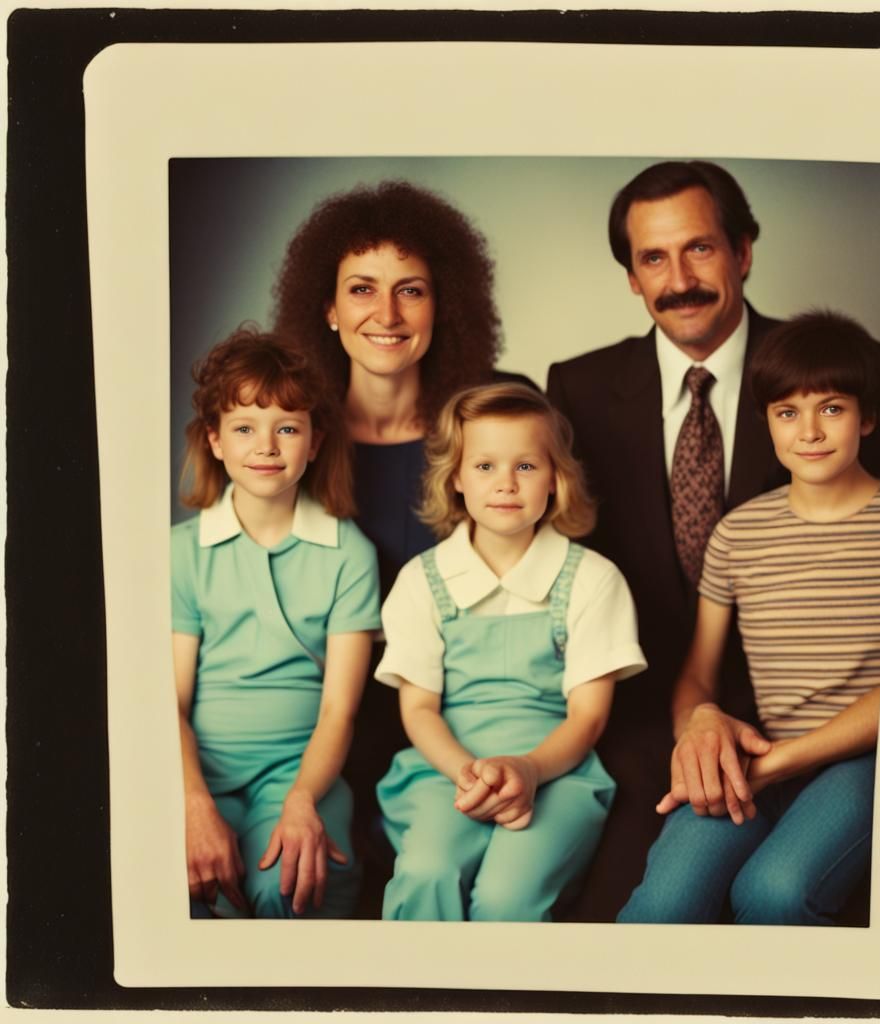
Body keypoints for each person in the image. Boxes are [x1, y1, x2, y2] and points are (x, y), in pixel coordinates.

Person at [546, 160, 880, 920]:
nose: (679, 278)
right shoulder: (577, 389)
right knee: (635, 914)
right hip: (653, 715)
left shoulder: (827, 369)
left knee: (773, 894)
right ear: (633, 278)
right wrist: (693, 720)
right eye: (653, 258)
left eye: (700, 248)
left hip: (836, 726)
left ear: (743, 251)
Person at [272, 181, 532, 913]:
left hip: (473, 726)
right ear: (326, 307)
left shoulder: (499, 421)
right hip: (323, 732)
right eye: (361, 289)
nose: (386, 316)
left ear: (442, 303)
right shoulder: (284, 440)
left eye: (410, 291)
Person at [618, 310, 880, 924]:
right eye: (788, 412)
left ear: (867, 417)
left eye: (832, 408)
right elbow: (697, 674)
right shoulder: (739, 532)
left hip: (868, 759)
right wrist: (702, 724)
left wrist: (777, 764)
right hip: (763, 753)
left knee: (772, 891)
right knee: (663, 903)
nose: (810, 431)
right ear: (766, 422)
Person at [373, 384, 646, 920]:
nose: (505, 484)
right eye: (484, 466)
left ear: (555, 478)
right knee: (428, 871)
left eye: (526, 466)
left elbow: (587, 718)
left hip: (557, 771)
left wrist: (527, 769)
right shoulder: (421, 582)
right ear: (455, 476)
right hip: (443, 768)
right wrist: (467, 773)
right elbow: (419, 708)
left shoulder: (592, 580)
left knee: (506, 896)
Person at [171, 327, 380, 918]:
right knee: (203, 895)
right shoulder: (182, 553)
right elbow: (171, 703)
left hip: (302, 771)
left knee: (286, 889)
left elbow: (340, 709)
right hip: (198, 774)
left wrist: (302, 801)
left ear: (314, 443)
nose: (266, 445)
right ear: (214, 440)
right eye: (244, 428)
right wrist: (192, 805)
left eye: (287, 427)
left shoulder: (349, 554)